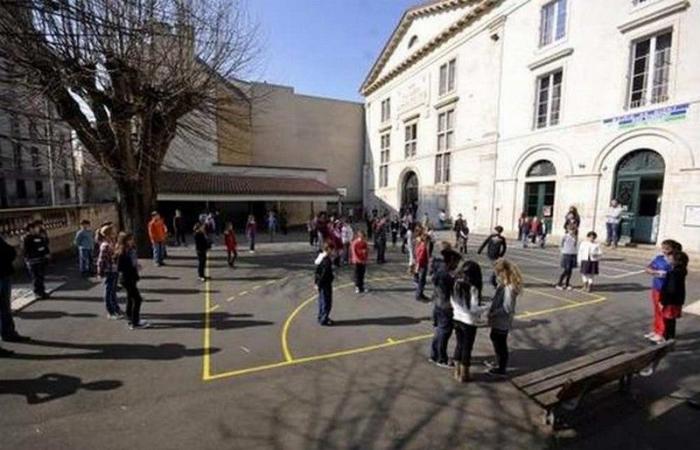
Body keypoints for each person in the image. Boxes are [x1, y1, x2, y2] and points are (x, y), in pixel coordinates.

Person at [451, 259, 488, 382]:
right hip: (468, 322)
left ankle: (457, 372)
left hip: (457, 318)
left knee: (459, 345)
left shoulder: (456, 283)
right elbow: (473, 309)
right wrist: (486, 307)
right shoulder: (473, 288)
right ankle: (464, 374)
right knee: (467, 347)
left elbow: (453, 301)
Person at [485, 259, 522, 376]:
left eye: (498, 273)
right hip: (498, 320)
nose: (496, 276)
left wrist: (493, 313)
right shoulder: (504, 285)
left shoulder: (509, 288)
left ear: (503, 272)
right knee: (495, 338)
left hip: (502, 321)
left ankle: (502, 368)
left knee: (500, 343)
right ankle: (499, 361)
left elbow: (507, 308)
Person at [644, 240, 682, 343]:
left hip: (665, 290)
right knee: (657, 310)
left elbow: (677, 275)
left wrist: (666, 274)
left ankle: (662, 333)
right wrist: (654, 272)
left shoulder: (675, 261)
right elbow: (648, 268)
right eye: (663, 248)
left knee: (663, 312)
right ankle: (656, 330)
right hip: (656, 288)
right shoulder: (659, 258)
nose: (664, 251)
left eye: (667, 248)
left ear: (673, 249)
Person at [429, 246, 460, 369]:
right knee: (444, 333)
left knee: (438, 331)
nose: (457, 265)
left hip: (438, 305)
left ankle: (434, 354)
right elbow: (452, 290)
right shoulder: (445, 275)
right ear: (451, 260)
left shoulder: (439, 270)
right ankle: (441, 358)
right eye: (456, 263)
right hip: (445, 307)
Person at [1, 234, 30, 349]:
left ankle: (9, 333)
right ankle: (8, 333)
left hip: (3, 274)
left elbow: (10, 252)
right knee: (4, 308)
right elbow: (10, 252)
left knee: (5, 308)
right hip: (3, 274)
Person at [116, 232, 149, 329]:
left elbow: (133, 261)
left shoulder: (130, 250)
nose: (132, 241)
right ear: (125, 241)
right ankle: (135, 322)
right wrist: (132, 267)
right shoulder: (123, 252)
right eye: (130, 239)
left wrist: (136, 266)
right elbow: (120, 267)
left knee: (130, 298)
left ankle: (130, 318)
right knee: (137, 299)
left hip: (131, 277)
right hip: (127, 278)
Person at [660, 251, 688, 341]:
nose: (668, 259)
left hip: (670, 301)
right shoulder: (681, 270)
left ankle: (667, 339)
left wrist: (663, 301)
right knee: (671, 321)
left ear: (677, 261)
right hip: (676, 300)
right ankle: (670, 337)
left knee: (668, 320)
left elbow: (670, 289)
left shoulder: (673, 273)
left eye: (670, 258)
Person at [96, 224, 122, 319]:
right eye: (113, 232)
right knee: (109, 291)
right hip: (109, 271)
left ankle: (116, 308)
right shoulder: (105, 245)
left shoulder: (111, 243)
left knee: (113, 291)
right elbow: (101, 260)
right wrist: (100, 272)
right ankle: (110, 312)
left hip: (114, 269)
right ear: (108, 234)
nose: (115, 234)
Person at [23, 221, 50, 300]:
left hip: (41, 260)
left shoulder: (39, 236)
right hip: (33, 261)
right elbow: (25, 251)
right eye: (36, 227)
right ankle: (38, 293)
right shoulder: (26, 238)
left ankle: (42, 291)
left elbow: (44, 245)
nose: (38, 229)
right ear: (31, 229)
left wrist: (46, 254)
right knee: (36, 278)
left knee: (41, 277)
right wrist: (28, 260)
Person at [314, 243, 335, 326]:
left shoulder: (321, 258)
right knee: (326, 302)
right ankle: (324, 319)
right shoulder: (326, 260)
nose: (333, 251)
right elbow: (324, 273)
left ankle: (321, 316)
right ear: (329, 249)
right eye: (332, 249)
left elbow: (317, 272)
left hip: (321, 283)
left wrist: (316, 282)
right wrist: (319, 283)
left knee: (322, 301)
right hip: (325, 284)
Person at [556, 226, 579, 290]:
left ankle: (567, 283)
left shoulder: (575, 237)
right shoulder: (565, 236)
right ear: (568, 230)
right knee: (567, 270)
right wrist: (562, 251)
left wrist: (576, 253)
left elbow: (575, 245)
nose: (572, 231)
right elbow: (560, 244)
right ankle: (559, 283)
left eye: (573, 230)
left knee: (570, 271)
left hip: (573, 254)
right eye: (571, 230)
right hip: (566, 254)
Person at [414, 231, 430, 301]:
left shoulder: (419, 244)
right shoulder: (423, 246)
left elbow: (416, 254)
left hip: (420, 264)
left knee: (421, 280)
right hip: (422, 265)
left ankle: (420, 293)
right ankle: (419, 294)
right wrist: (418, 265)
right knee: (422, 280)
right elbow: (420, 257)